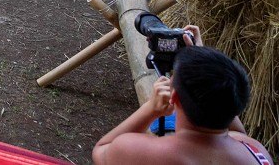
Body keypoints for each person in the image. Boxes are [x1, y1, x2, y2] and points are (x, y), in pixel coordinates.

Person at [92, 26, 272, 165]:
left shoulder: (140, 153)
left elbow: (101, 150)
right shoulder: (258, 153)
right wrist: (204, 61)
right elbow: (237, 134)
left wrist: (151, 109)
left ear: (174, 97)